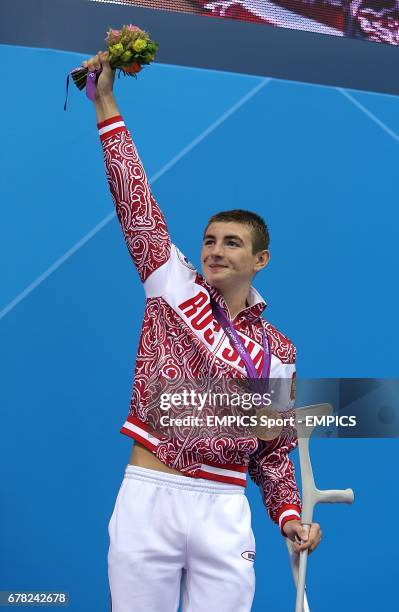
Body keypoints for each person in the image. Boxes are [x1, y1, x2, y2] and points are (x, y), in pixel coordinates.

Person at [82, 50, 322, 612]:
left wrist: (290, 516)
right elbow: (133, 199)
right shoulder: (172, 284)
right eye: (210, 240)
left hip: (225, 503)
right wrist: (107, 104)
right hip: (151, 494)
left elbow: (274, 449)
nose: (214, 250)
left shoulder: (278, 351)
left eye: (231, 243)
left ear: (260, 260)